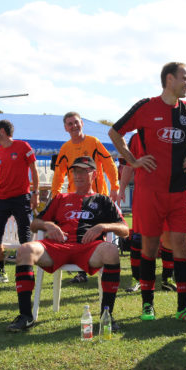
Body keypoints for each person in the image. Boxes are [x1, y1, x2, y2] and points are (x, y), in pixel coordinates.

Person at [109, 61, 186, 324]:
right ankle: (148, 305)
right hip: (150, 192)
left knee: (182, 247)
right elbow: (115, 132)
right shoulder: (145, 106)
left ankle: (184, 308)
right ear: (169, 79)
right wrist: (133, 160)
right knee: (150, 246)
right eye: (185, 78)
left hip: (180, 191)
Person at [6, 156, 129, 332]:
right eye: (75, 172)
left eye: (83, 172)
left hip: (88, 248)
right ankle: (25, 316)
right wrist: (48, 225)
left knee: (111, 251)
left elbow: (124, 229)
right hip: (58, 247)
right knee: (25, 250)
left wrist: (102, 226)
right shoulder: (60, 198)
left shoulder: (103, 200)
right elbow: (34, 224)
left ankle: (106, 315)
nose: (78, 176)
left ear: (94, 174)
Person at [51, 111, 120, 284]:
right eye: (70, 124)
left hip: (97, 198)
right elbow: (58, 174)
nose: (74, 126)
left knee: (98, 232)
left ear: (82, 123)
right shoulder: (65, 148)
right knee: (76, 233)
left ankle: (103, 265)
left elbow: (109, 164)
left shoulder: (93, 142)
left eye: (76, 122)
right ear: (66, 128)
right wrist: (55, 196)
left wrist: (115, 186)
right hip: (75, 199)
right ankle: (81, 270)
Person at [118, 134, 176, 293]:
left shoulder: (171, 133)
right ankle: (137, 278)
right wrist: (122, 189)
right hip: (143, 196)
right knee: (138, 238)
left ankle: (167, 278)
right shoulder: (136, 138)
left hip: (167, 194)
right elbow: (128, 165)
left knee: (168, 236)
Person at [0, 120, 40, 283]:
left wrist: (35, 193)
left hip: (21, 198)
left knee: (24, 234)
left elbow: (34, 170)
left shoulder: (23, 146)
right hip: (2, 199)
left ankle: (26, 270)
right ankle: (1, 270)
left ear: (2, 132)